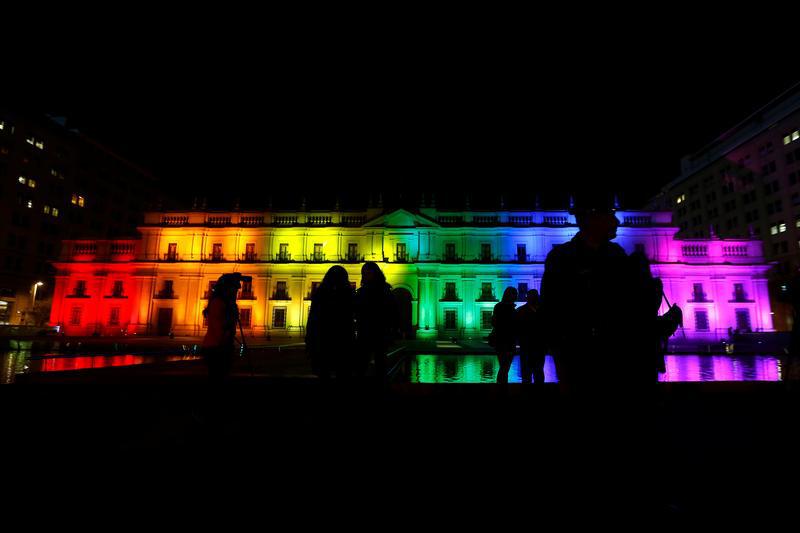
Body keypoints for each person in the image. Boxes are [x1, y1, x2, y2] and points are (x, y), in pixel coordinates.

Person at [305, 265, 355, 379]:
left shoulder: (320, 293)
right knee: (342, 374)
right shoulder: (348, 294)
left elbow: (313, 319)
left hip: (323, 340)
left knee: (324, 373)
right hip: (342, 341)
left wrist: (309, 340)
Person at [354, 261, 397, 380]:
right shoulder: (382, 290)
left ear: (376, 273)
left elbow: (391, 312)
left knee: (378, 364)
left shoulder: (383, 290)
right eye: (364, 273)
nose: (366, 275)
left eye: (369, 272)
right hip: (366, 332)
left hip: (378, 331)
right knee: (363, 363)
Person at [201, 273, 244, 385]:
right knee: (217, 378)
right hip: (216, 348)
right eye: (233, 289)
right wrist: (232, 313)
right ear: (226, 289)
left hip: (220, 347)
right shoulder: (218, 303)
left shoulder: (223, 303)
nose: (235, 293)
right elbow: (221, 327)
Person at [515, 288, 546, 384]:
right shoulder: (522, 311)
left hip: (536, 346)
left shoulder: (521, 310)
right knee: (530, 372)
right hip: (528, 346)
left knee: (537, 371)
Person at [493, 286, 518, 384]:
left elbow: (495, 322)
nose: (516, 295)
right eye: (515, 293)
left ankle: (501, 386)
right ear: (509, 295)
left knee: (504, 367)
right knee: (505, 366)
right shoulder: (508, 308)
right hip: (506, 341)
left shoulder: (499, 306)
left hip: (502, 341)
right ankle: (502, 387)